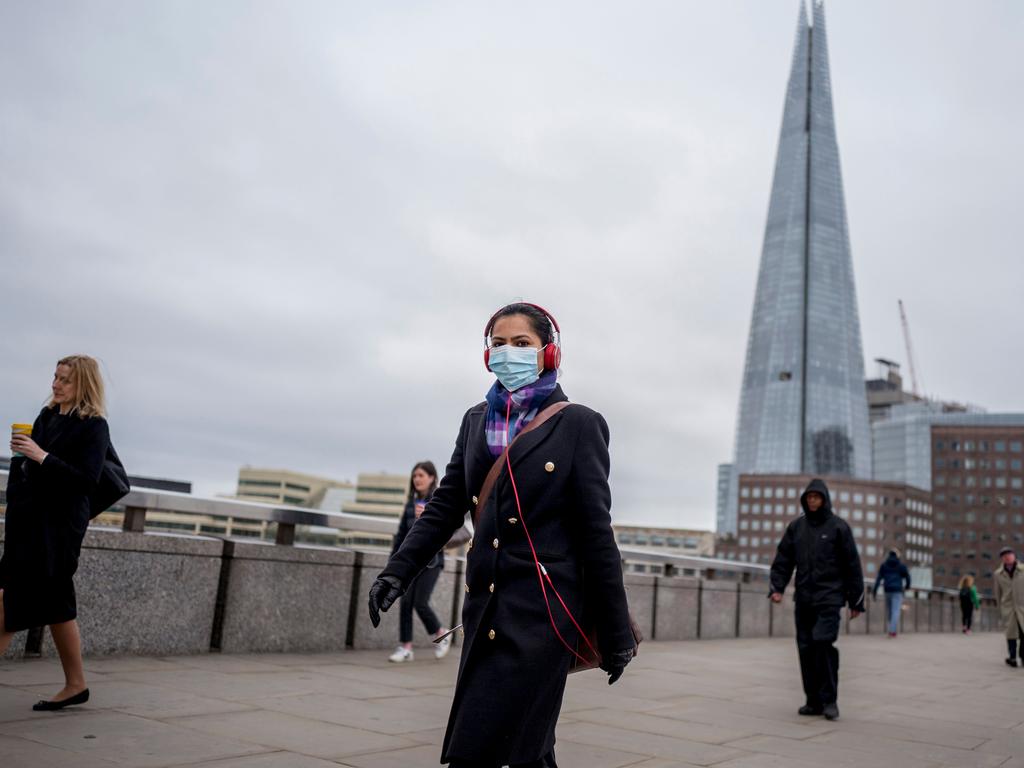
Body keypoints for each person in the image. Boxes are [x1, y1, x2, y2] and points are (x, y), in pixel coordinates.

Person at [366, 302, 635, 768]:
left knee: (493, 746)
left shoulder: (579, 425)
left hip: (544, 617)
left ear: (548, 354)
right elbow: (446, 506)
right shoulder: (475, 420)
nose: (508, 352)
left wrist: (616, 634)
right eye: (499, 343)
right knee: (523, 748)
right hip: (485, 606)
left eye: (522, 343)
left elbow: (597, 535)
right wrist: (398, 572)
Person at [0, 355, 112, 711]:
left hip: (58, 531)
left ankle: (76, 684)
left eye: (65, 379)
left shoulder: (94, 427)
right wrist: (23, 460)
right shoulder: (46, 417)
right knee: (58, 606)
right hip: (28, 524)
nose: (56, 384)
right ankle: (76, 685)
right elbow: (30, 470)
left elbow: (86, 480)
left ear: (83, 385)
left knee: (7, 602)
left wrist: (42, 456)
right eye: (55, 376)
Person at [769, 478, 864, 721]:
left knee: (823, 644)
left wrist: (856, 601)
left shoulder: (839, 528)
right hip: (804, 599)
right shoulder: (796, 528)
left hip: (830, 598)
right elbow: (783, 560)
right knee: (806, 649)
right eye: (809, 497)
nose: (812, 501)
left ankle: (830, 700)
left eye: (816, 497)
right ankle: (813, 701)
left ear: (824, 499)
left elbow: (852, 565)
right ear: (805, 500)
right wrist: (777, 587)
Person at [387, 460, 452, 663]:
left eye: (421, 475)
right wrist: (393, 564)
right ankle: (406, 647)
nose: (417, 479)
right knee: (405, 602)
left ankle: (441, 633)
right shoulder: (410, 504)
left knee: (420, 602)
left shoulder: (438, 501)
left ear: (432, 477)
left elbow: (447, 529)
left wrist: (428, 517)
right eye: (415, 476)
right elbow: (401, 536)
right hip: (412, 563)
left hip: (432, 562)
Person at [993, 547, 1024, 667]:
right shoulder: (998, 574)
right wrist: (999, 609)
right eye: (1004, 555)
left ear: (1014, 556)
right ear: (1002, 558)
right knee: (1010, 634)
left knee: (1023, 633)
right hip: (1008, 607)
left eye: (1009, 554)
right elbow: (998, 592)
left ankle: (1023, 655)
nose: (1007, 557)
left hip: (1022, 607)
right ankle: (1012, 658)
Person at [872, 548, 911, 637]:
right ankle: (892, 631)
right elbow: (908, 576)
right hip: (897, 591)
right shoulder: (901, 565)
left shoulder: (884, 565)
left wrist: (874, 591)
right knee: (895, 611)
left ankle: (891, 629)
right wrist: (907, 586)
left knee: (890, 611)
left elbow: (878, 579)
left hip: (887, 590)